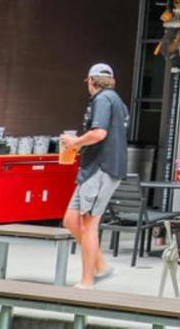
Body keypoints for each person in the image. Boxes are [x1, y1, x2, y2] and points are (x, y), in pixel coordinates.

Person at [60, 63, 129, 289]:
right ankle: (101, 265)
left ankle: (87, 281)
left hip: (101, 168)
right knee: (70, 220)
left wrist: (75, 143)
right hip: (93, 169)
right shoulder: (118, 102)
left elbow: (99, 133)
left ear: (91, 81)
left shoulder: (102, 100)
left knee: (88, 223)